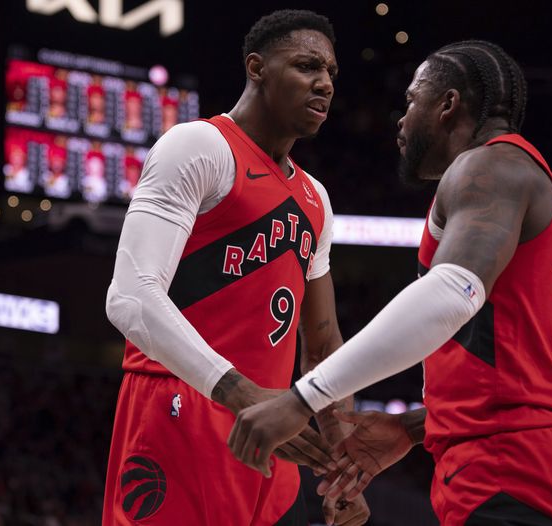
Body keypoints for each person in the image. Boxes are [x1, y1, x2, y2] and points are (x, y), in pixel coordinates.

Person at [228, 40, 552, 526]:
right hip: (548, 462)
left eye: (412, 101)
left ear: (448, 104)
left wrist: (303, 397)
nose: (401, 120)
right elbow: (520, 379)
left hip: (510, 471)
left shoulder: (487, 166)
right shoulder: (530, 181)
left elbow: (451, 292)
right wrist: (412, 429)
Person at [103, 9, 369, 526]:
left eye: (331, 73)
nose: (324, 83)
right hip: (182, 408)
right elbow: (131, 296)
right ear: (257, 67)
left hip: (274, 436)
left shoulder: (316, 198)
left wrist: (343, 461)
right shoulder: (198, 146)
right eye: (306, 66)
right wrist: (247, 398)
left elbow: (322, 342)